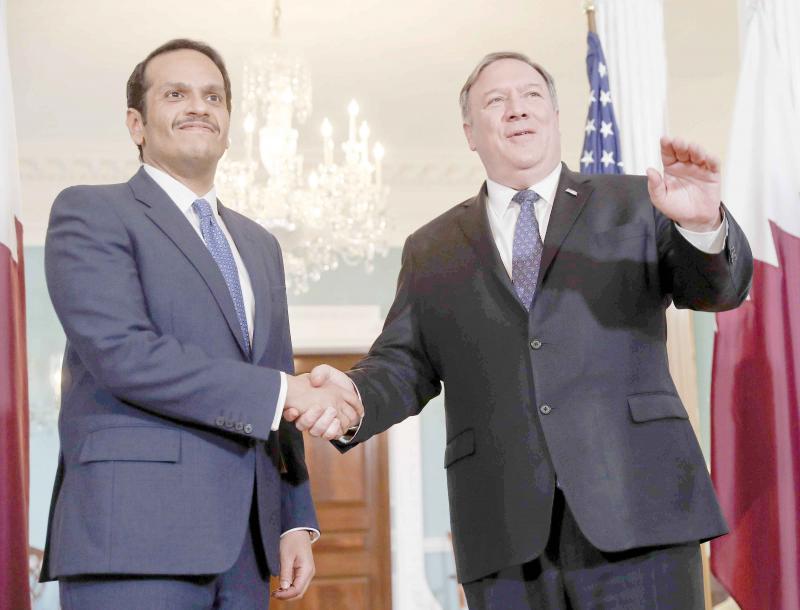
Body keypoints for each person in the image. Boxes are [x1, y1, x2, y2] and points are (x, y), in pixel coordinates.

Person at [294, 52, 753, 609]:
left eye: (531, 95)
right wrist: (355, 396)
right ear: (470, 131)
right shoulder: (431, 247)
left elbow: (717, 290)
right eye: (495, 100)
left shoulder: (636, 204)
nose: (516, 109)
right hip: (504, 535)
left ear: (555, 115)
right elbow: (405, 363)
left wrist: (702, 225)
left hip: (641, 514)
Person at [39, 38, 361, 610]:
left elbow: (276, 382)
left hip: (246, 548)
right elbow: (124, 354)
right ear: (136, 124)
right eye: (176, 93)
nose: (199, 106)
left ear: (229, 126)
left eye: (214, 96)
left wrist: (293, 519)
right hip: (133, 538)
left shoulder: (260, 247)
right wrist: (283, 390)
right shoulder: (89, 211)